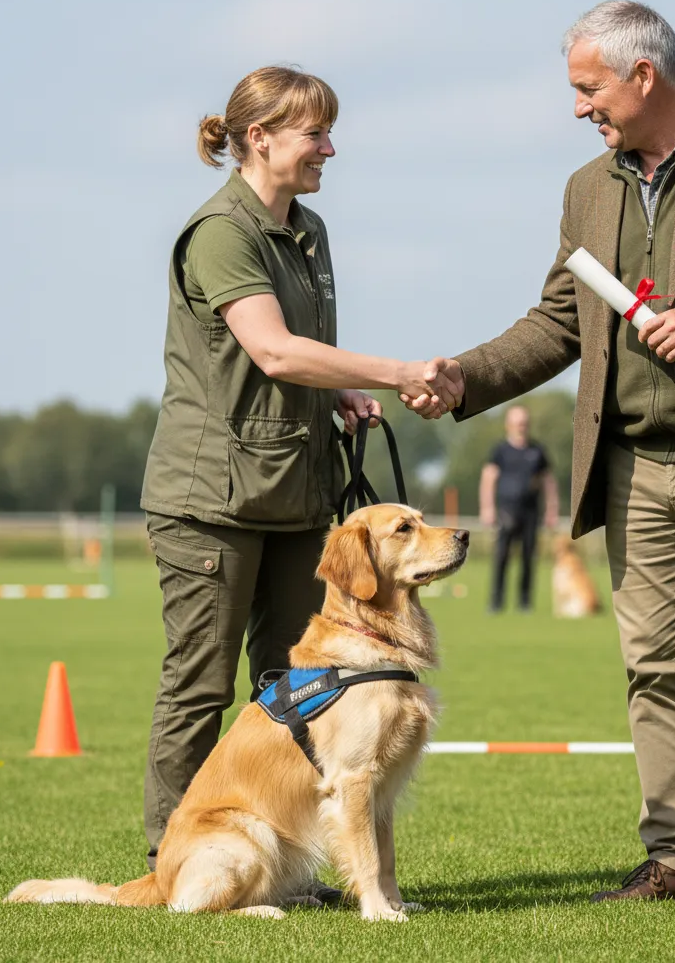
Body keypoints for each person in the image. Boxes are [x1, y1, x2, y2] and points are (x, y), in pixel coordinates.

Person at [405, 1, 675, 910]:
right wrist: (466, 378)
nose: (579, 109)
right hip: (633, 468)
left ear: (643, 76)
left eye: (588, 88)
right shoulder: (587, 188)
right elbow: (561, 320)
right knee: (654, 668)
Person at [139, 66, 457, 877]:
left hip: (293, 494)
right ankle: (175, 862)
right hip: (211, 501)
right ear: (261, 138)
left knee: (296, 693)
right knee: (201, 689)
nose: (329, 147)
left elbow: (293, 364)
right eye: (315, 133)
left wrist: (343, 389)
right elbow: (273, 348)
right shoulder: (220, 232)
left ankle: (297, 864)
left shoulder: (307, 230)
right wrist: (393, 369)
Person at [480, 405, 559, 611]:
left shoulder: (537, 451)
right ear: (509, 425)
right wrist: (487, 508)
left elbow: (548, 481)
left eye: (524, 423)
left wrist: (552, 510)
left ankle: (525, 602)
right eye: (517, 423)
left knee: (528, 558)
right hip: (506, 511)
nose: (521, 427)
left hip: (531, 512)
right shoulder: (500, 451)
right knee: (502, 557)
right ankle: (496, 602)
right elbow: (488, 478)